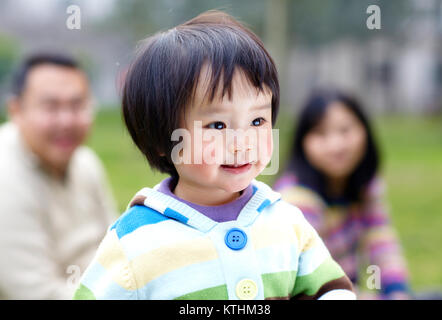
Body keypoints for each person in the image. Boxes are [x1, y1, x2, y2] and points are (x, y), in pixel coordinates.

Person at [73, 11, 355, 300]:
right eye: (218, 125)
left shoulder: (285, 221)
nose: (243, 142)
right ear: (163, 139)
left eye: (257, 121)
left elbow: (332, 291)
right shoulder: (135, 242)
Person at [273, 89, 411, 299]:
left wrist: (398, 291)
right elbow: (309, 284)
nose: (336, 145)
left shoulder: (364, 184)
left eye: (345, 130)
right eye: (321, 134)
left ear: (364, 129)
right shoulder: (296, 201)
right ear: (303, 142)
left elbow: (381, 241)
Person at [0, 54, 117, 299]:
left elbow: (118, 246)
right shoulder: (5, 175)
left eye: (77, 105)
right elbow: (37, 295)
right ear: (16, 111)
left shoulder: (85, 162)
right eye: (51, 107)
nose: (66, 121)